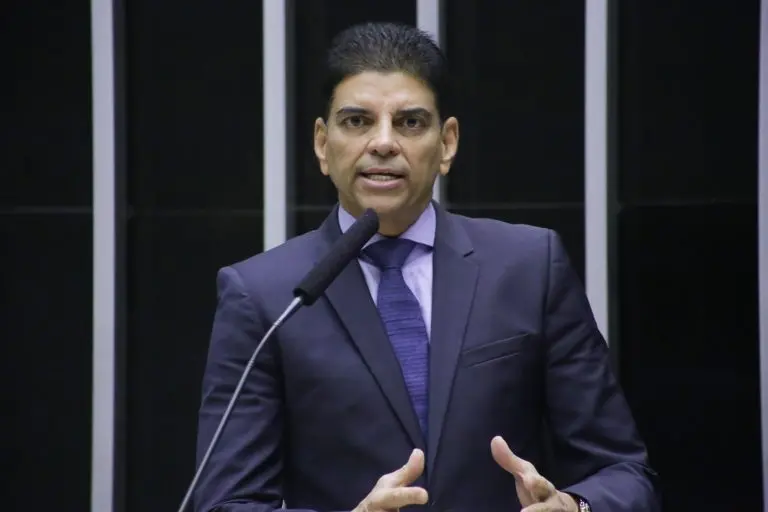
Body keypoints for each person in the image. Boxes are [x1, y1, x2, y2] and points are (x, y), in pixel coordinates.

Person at [194, 22, 659, 512]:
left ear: (448, 143)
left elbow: (625, 473)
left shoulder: (529, 266)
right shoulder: (264, 296)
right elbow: (225, 502)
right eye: (357, 121)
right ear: (322, 145)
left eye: (410, 122)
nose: (383, 142)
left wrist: (576, 508)